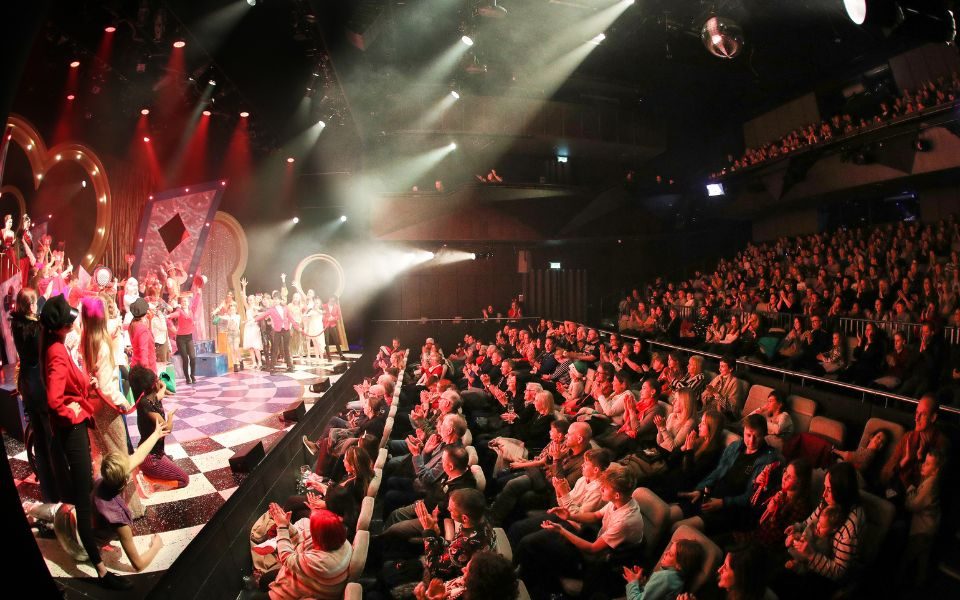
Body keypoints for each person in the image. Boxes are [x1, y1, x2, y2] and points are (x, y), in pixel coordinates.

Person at [41, 295, 131, 589]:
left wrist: (84, 387)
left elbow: (68, 383)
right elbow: (54, 401)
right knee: (82, 496)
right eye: (69, 319)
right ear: (61, 325)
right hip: (72, 432)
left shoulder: (58, 346)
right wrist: (73, 411)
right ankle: (102, 570)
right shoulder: (56, 350)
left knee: (84, 491)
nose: (74, 321)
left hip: (77, 427)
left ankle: (95, 546)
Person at [518, 465, 645, 600]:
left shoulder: (624, 521)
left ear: (617, 494)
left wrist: (561, 530)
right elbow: (595, 515)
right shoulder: (621, 501)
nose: (601, 489)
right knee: (535, 542)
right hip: (595, 541)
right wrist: (569, 516)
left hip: (600, 560)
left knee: (533, 545)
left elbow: (592, 549)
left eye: (605, 488)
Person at [81, 296, 145, 519]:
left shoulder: (86, 338)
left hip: (92, 405)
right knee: (120, 457)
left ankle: (104, 508)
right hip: (107, 406)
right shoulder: (102, 344)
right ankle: (132, 509)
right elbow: (107, 385)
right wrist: (122, 400)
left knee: (101, 457)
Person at [92, 424, 171, 574]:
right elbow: (138, 565)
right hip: (82, 548)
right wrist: (156, 546)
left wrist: (155, 434)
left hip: (72, 522)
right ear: (125, 481)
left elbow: (138, 456)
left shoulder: (103, 477)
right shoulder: (119, 518)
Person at [780, 462, 863, 593]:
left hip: (825, 575)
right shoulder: (828, 501)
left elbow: (839, 572)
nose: (823, 495)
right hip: (812, 553)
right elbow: (809, 522)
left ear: (842, 492)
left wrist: (811, 555)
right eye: (825, 488)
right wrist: (797, 528)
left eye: (829, 490)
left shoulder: (851, 526)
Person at [11, 287, 61, 502]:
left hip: (27, 383)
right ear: (32, 305)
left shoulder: (17, 324)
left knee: (40, 440)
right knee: (50, 438)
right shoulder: (37, 328)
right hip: (40, 384)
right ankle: (60, 488)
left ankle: (49, 492)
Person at [254, 506, 352, 600]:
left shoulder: (322, 561)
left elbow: (286, 558)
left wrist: (282, 527)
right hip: (308, 579)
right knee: (265, 580)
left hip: (297, 591)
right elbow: (301, 536)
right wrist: (287, 525)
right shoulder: (339, 541)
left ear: (319, 535)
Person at [128, 365, 189, 493]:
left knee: (170, 462)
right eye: (156, 380)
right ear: (152, 385)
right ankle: (149, 480)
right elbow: (167, 429)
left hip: (154, 453)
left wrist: (164, 386)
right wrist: (170, 416)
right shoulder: (146, 405)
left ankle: (148, 473)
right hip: (150, 458)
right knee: (184, 480)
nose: (159, 381)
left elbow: (160, 394)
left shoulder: (151, 398)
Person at [880, 394, 950, 498]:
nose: (916, 418)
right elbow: (884, 475)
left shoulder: (942, 444)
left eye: (923, 414)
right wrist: (905, 460)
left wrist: (921, 458)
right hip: (897, 491)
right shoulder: (909, 437)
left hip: (919, 500)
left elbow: (932, 488)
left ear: (933, 417)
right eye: (917, 412)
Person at [898, 449, 944, 588]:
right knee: (922, 561)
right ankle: (920, 585)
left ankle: (894, 585)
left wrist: (909, 490)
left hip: (922, 530)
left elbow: (913, 506)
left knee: (905, 558)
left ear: (935, 471)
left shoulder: (930, 485)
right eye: (924, 461)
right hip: (930, 528)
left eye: (928, 464)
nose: (923, 465)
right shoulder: (931, 480)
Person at [623, 538, 705, 600]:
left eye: (670, 554)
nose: (665, 553)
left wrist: (632, 582)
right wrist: (641, 585)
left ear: (679, 566)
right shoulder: (677, 579)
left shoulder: (665, 577)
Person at [785, 505, 844, 573]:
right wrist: (795, 531)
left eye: (822, 526)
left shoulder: (826, 546)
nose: (818, 527)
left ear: (833, 529)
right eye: (819, 522)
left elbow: (811, 563)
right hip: (792, 546)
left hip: (800, 561)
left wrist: (796, 564)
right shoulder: (814, 523)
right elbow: (804, 526)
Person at [167, 288, 202, 384]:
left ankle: (192, 375)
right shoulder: (179, 311)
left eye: (186, 301)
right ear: (181, 303)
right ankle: (187, 377)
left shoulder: (191, 310)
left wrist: (198, 293)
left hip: (189, 337)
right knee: (185, 359)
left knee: (193, 357)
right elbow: (172, 316)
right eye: (183, 301)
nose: (185, 303)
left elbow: (195, 303)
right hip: (181, 339)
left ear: (188, 302)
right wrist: (171, 325)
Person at [127, 298, 156, 373]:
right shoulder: (142, 329)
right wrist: (147, 374)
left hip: (137, 367)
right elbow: (143, 353)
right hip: (145, 370)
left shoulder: (132, 325)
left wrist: (149, 321)